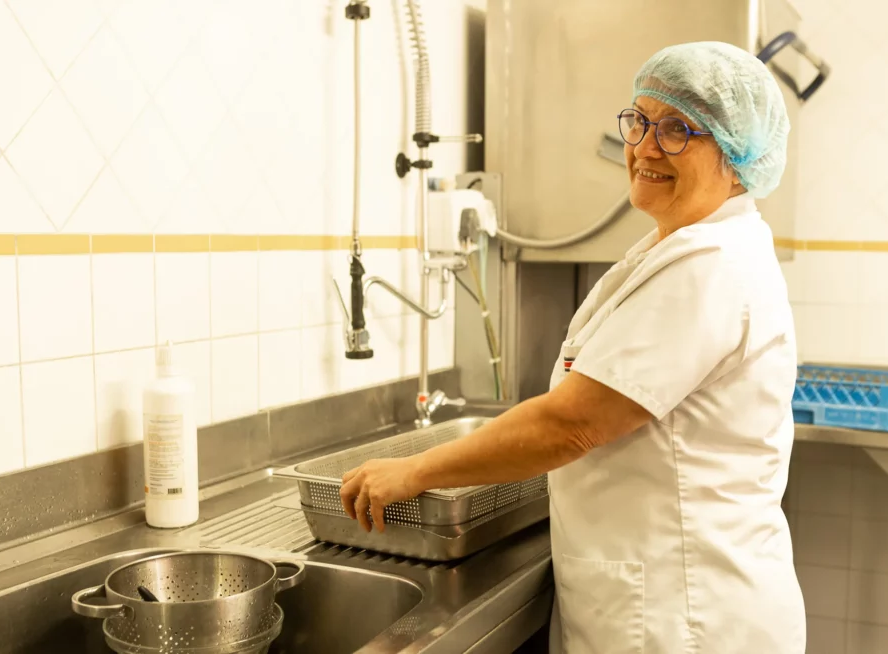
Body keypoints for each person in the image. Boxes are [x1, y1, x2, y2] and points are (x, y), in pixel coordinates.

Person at [340, 40, 806, 653]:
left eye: (677, 130)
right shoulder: (686, 247)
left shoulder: (711, 266)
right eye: (639, 120)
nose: (643, 147)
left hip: (688, 617)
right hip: (664, 596)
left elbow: (572, 424)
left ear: (736, 154)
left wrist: (416, 470)